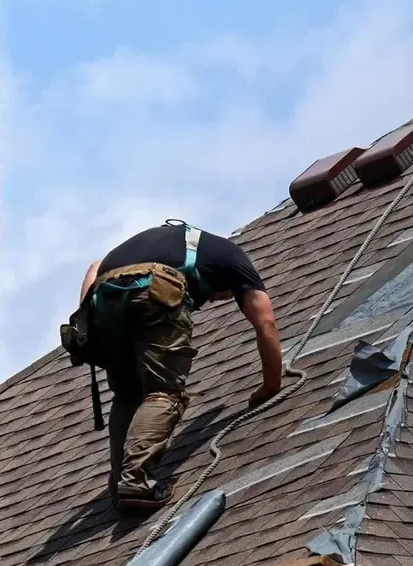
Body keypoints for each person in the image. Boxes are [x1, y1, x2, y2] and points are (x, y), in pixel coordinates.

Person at [79, 220, 282, 513]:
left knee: (127, 395)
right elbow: (266, 322)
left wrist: (87, 318)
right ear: (230, 284)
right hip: (150, 287)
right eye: (221, 295)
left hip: (104, 298)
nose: (213, 299)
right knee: (164, 392)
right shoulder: (235, 258)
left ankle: (119, 484)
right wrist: (271, 385)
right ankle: (135, 481)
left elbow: (95, 267)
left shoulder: (173, 243)